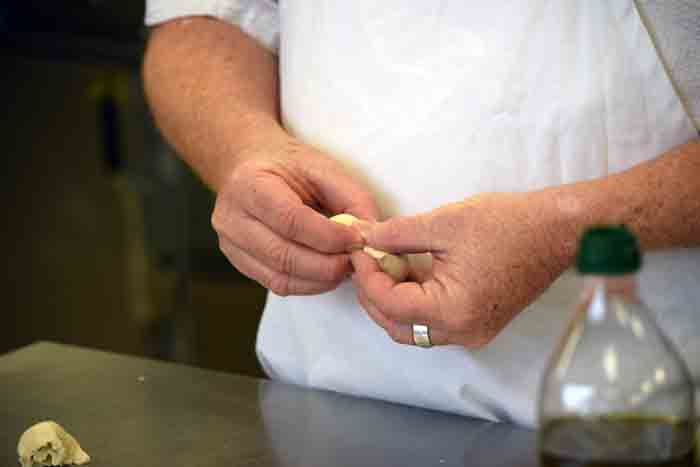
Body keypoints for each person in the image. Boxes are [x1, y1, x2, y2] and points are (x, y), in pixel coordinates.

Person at [142, 0, 700, 426]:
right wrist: (244, 149)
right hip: (321, 411)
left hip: (636, 417)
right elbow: (199, 22)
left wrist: (569, 228)